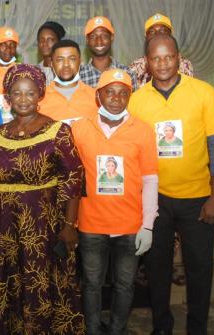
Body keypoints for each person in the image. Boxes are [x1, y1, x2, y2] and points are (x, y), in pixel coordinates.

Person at [129, 34, 214, 335]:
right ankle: (162, 327)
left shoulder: (204, 93)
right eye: (156, 58)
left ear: (178, 57)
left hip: (197, 199)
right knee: (157, 271)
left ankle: (197, 328)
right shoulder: (137, 100)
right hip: (155, 200)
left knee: (200, 269)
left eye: (168, 57)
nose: (162, 63)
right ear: (147, 62)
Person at [0, 64, 85, 334]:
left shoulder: (57, 131)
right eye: (17, 93)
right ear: (8, 97)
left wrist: (69, 226)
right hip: (3, 227)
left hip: (42, 228)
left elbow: (74, 178)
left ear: (40, 94)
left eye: (30, 93)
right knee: (9, 283)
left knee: (40, 282)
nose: (24, 99)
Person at [72, 69, 158, 334]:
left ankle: (117, 330)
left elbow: (150, 180)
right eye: (109, 91)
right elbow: (71, 179)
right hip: (91, 225)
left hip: (129, 226)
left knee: (124, 286)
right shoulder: (79, 128)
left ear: (129, 96)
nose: (116, 98)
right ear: (98, 96)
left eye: (123, 93)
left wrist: (148, 225)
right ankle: (93, 329)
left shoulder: (142, 130)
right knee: (92, 284)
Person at [39, 39, 98, 125]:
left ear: (80, 62)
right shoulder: (40, 100)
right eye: (60, 60)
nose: (66, 64)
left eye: (72, 59)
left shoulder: (96, 98)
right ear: (51, 63)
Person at [129, 13, 194, 88]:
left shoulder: (184, 64)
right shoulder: (135, 67)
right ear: (146, 37)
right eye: (152, 32)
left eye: (163, 30)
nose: (158, 34)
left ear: (171, 34)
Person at [79, 16, 137, 90]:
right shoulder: (79, 76)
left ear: (112, 37)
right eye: (93, 36)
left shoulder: (127, 73)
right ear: (87, 40)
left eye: (104, 36)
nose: (99, 41)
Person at [37, 21, 66, 86]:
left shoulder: (67, 69)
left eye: (50, 40)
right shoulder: (34, 72)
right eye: (41, 40)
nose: (45, 44)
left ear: (59, 42)